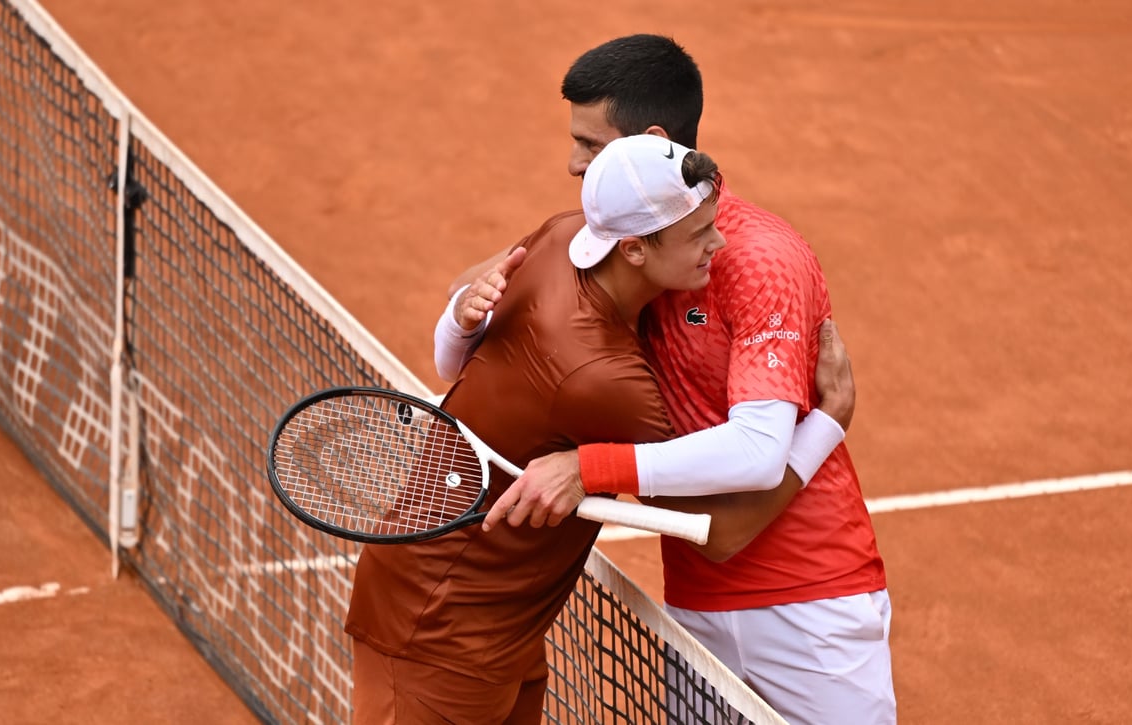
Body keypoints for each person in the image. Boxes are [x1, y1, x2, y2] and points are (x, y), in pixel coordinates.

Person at [444, 35, 894, 725]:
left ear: (651, 143)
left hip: (812, 602)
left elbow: (758, 450)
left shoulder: (758, 259)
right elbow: (478, 315)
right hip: (698, 592)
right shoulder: (614, 243)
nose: (573, 164)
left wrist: (585, 467)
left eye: (591, 146)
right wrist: (465, 309)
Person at [346, 133, 855, 723]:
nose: (719, 243)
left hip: (501, 629)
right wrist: (826, 422)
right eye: (698, 234)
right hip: (435, 632)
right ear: (634, 249)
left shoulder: (562, 235)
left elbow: (456, 364)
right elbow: (723, 532)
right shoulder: (608, 382)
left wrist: (459, 321)